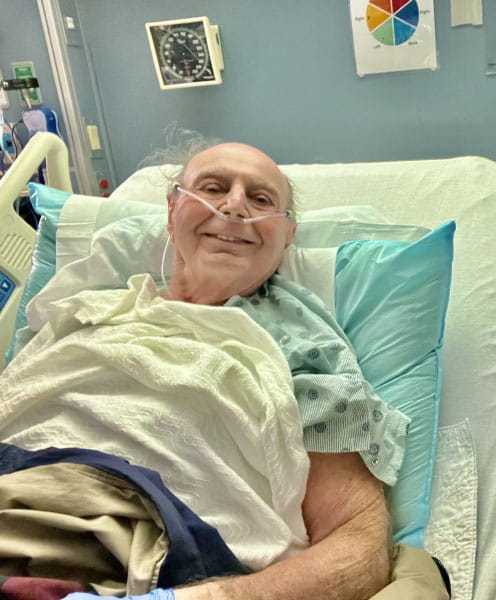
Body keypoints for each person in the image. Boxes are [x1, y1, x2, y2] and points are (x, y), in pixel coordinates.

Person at [0, 141, 449, 600]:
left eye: (261, 200)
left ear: (288, 235)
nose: (234, 206)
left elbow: (358, 543)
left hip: (137, 549)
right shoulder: (84, 311)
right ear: (172, 211)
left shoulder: (303, 347)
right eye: (213, 188)